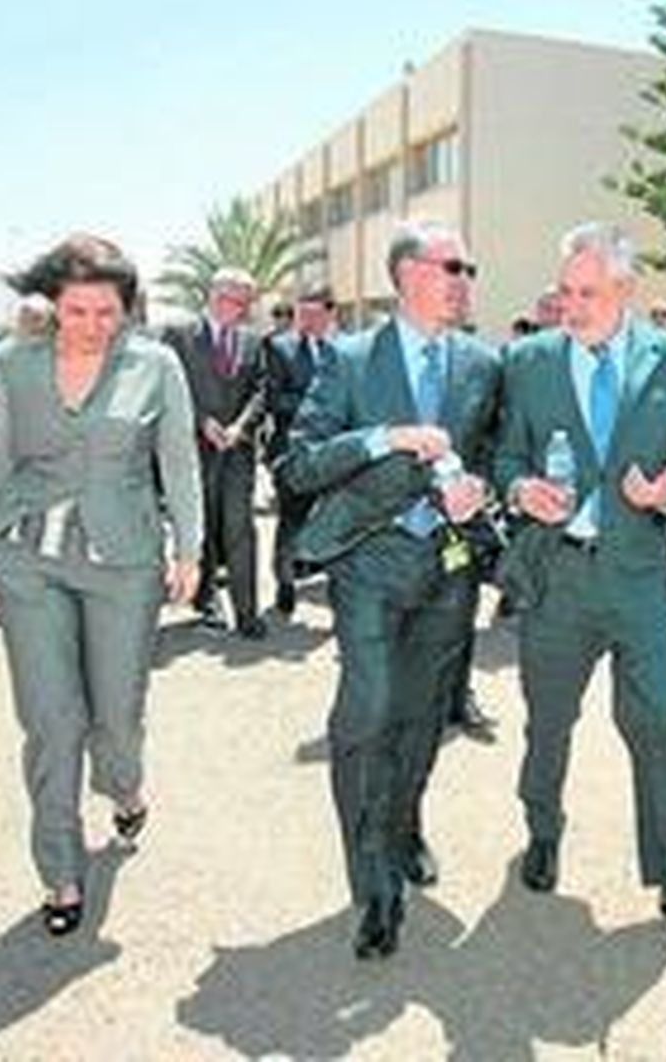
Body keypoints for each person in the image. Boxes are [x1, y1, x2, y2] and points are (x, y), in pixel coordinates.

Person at [495, 222, 666, 952]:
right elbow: (506, 450)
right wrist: (519, 486)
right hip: (558, 578)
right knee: (548, 722)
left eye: (587, 292)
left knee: (663, 724)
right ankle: (542, 829)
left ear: (626, 291)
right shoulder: (531, 360)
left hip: (637, 580)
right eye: (565, 291)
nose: (570, 305)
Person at [0, 234, 202, 937]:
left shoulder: (156, 366)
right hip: (26, 557)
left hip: (122, 564)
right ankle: (60, 869)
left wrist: (190, 547)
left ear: (127, 308)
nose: (92, 324)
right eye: (77, 309)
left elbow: (178, 464)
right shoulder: (14, 363)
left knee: (115, 719)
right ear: (52, 305)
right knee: (50, 720)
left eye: (106, 311)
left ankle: (123, 786)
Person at [278, 222, 499, 960]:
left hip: (449, 568)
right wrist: (384, 438)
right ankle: (372, 882)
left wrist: (481, 490)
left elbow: (496, 455)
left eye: (469, 267)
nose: (465, 278)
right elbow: (298, 464)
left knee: (421, 717)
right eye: (452, 266)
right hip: (368, 568)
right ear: (408, 274)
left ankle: (403, 825)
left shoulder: (480, 363)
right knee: (367, 714)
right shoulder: (348, 360)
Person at [163, 269, 268, 637]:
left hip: (237, 451)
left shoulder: (254, 342)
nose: (234, 308)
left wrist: (240, 426)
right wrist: (201, 421)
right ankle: (205, 601)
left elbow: (260, 391)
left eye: (241, 302)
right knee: (201, 528)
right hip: (193, 450)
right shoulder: (179, 337)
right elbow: (169, 390)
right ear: (210, 295)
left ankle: (248, 612)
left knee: (240, 529)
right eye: (227, 299)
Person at [260, 286, 338, 616]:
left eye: (315, 313)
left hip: (336, 453)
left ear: (330, 314)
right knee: (291, 521)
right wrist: (318, 402)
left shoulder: (344, 350)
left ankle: (336, 586)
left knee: (336, 521)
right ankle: (285, 583)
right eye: (302, 313)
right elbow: (273, 399)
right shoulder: (279, 348)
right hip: (293, 452)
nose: (307, 320)